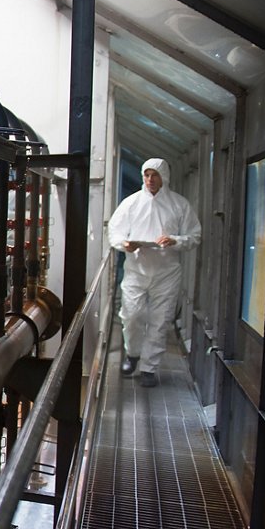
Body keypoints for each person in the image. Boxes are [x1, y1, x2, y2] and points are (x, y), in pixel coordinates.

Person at [107, 157, 202, 388]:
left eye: (155, 175)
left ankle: (149, 367)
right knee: (131, 316)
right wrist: (125, 244)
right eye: (147, 175)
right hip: (136, 270)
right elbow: (115, 233)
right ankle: (133, 354)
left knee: (160, 320)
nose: (150, 179)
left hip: (166, 272)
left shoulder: (179, 205)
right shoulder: (131, 204)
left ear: (164, 177)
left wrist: (174, 240)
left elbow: (194, 236)